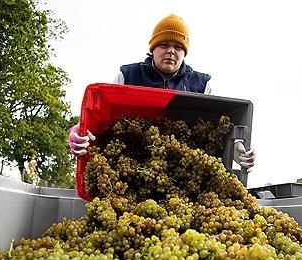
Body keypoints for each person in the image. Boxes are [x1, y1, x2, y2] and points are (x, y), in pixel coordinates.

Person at [69, 14, 255, 171]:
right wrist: (80, 130)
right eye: (164, 45)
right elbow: (101, 118)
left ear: (184, 52)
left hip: (184, 170)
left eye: (178, 47)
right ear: (153, 48)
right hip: (131, 168)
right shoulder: (128, 75)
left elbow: (219, 130)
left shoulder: (202, 85)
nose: (171, 51)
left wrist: (236, 147)